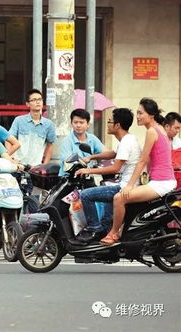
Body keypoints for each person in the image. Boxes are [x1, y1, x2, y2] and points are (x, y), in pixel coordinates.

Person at [100, 98, 176, 245]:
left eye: (141, 113)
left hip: (161, 182)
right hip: (160, 180)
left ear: (151, 115)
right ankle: (124, 231)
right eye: (137, 113)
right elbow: (149, 160)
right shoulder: (158, 129)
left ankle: (114, 233)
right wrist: (146, 180)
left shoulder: (152, 131)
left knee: (119, 198)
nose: (138, 116)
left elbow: (142, 160)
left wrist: (129, 184)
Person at [74, 108, 141, 242]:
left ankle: (94, 228)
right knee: (105, 199)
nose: (108, 124)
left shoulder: (127, 142)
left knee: (86, 195)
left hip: (124, 187)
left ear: (117, 125)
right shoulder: (128, 139)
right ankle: (104, 230)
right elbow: (112, 153)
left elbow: (115, 168)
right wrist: (91, 157)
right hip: (126, 184)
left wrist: (88, 171)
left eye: (110, 121)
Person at [8, 89, 56, 166]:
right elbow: (8, 140)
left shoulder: (49, 124)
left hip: (36, 167)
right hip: (18, 165)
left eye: (40, 99)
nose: (37, 102)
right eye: (34, 100)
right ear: (27, 104)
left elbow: (50, 146)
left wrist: (44, 166)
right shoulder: (19, 120)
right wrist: (10, 158)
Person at [58, 109, 104, 176]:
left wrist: (92, 157)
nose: (78, 125)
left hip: (88, 177)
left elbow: (105, 152)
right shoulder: (67, 141)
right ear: (71, 123)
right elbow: (68, 161)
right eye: (75, 122)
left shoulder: (92, 138)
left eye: (81, 122)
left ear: (88, 124)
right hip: (69, 178)